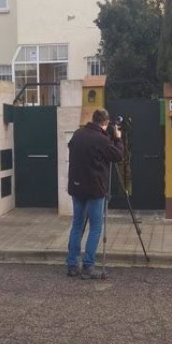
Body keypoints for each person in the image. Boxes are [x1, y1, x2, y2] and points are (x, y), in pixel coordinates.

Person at [66, 108, 123, 280]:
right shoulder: (102, 139)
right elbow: (118, 156)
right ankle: (88, 266)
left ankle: (72, 265)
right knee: (96, 226)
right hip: (95, 189)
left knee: (77, 225)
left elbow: (72, 148)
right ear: (105, 123)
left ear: (93, 119)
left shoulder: (77, 134)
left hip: (76, 187)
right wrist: (118, 139)